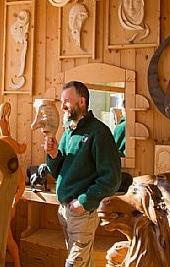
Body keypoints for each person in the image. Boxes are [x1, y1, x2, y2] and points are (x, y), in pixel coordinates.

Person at [44, 81, 121, 267]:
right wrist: (53, 154)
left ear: (82, 102)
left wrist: (84, 202)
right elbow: (57, 170)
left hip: (82, 214)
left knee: (74, 264)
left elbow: (112, 179)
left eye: (67, 101)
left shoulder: (99, 133)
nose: (62, 107)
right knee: (84, 263)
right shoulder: (69, 132)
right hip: (64, 212)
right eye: (62, 101)